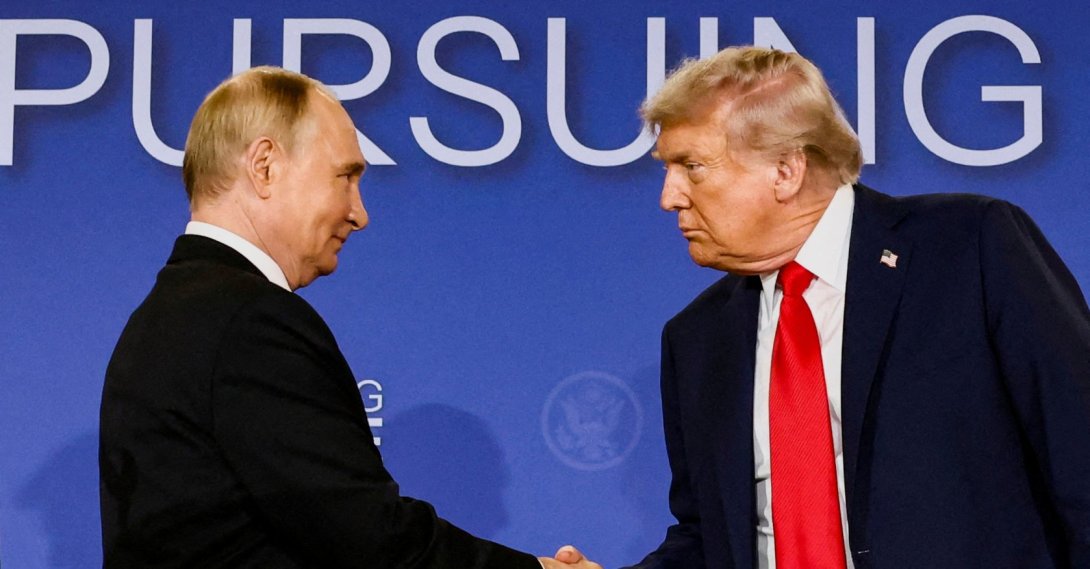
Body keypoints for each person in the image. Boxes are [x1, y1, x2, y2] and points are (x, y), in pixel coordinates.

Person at [99, 66, 600, 569]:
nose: (360, 213)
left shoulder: (169, 314)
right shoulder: (251, 323)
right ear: (265, 166)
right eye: (345, 176)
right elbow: (364, 537)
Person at [626, 46, 1090, 569]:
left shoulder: (969, 249)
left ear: (785, 170)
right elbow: (708, 539)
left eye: (692, 166)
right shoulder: (697, 338)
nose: (670, 196)